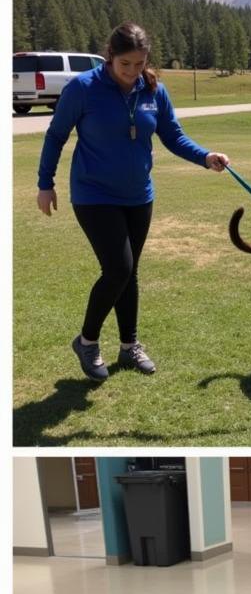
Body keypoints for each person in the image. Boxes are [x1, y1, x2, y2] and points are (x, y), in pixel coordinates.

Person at [36, 21, 231, 382]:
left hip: (139, 195)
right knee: (118, 269)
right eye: (125, 64)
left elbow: (172, 134)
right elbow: (56, 135)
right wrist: (44, 183)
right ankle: (87, 341)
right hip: (93, 194)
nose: (132, 73)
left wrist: (205, 157)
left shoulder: (153, 90)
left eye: (139, 65)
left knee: (130, 272)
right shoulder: (83, 88)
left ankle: (129, 347)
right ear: (110, 56)